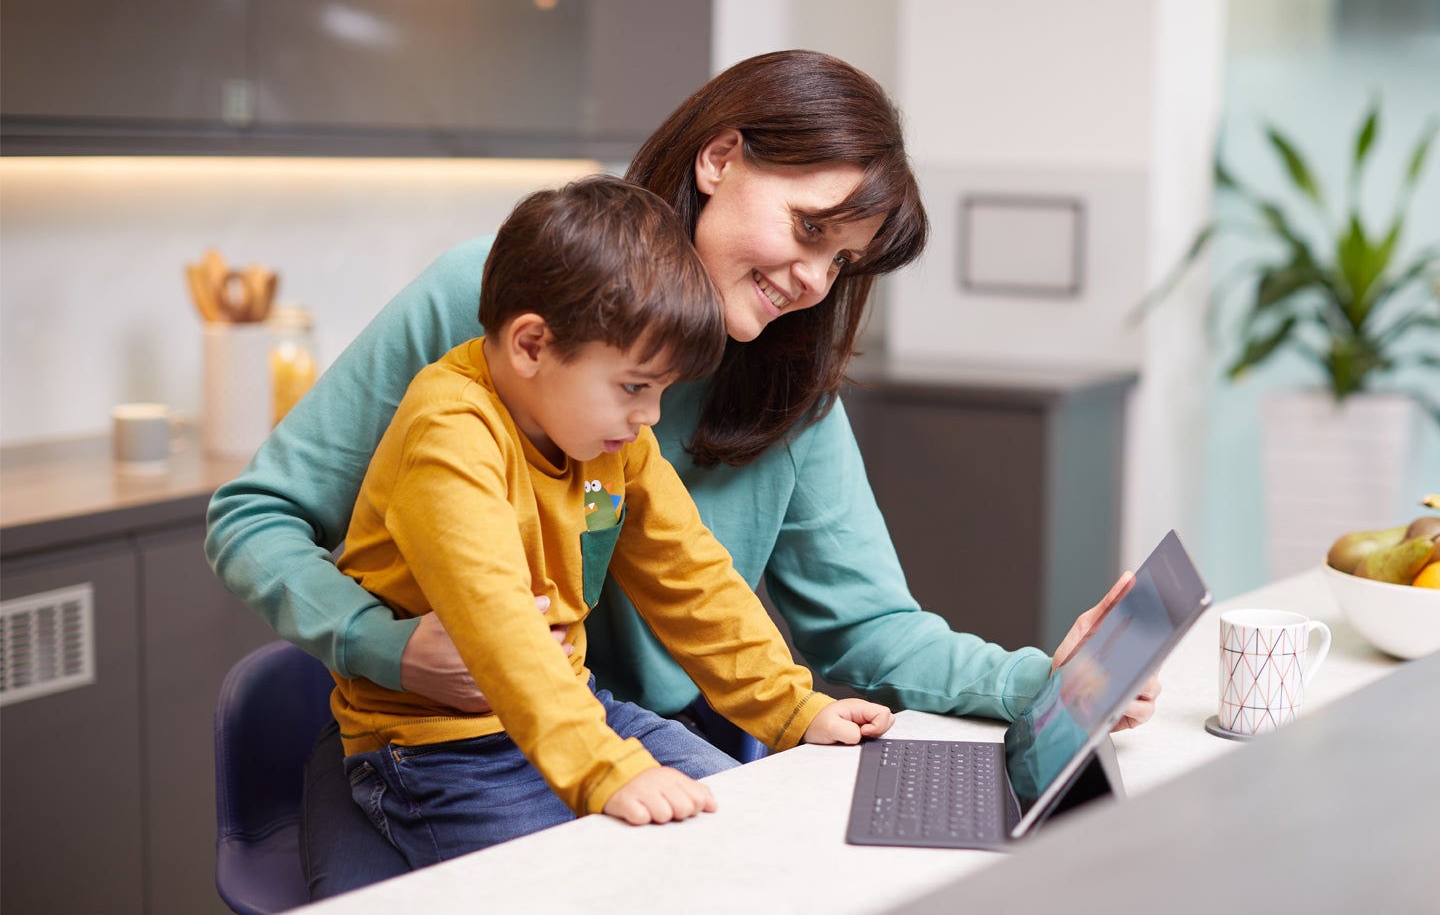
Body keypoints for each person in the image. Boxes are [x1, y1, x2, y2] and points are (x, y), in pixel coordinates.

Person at [206, 50, 1159, 897]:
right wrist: (383, 644)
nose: (814, 284)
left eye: (844, 263)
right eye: (807, 228)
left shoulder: (784, 384)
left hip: (622, 732)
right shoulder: (496, 302)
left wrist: (1046, 683)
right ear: (719, 160)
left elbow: (860, 623)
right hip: (445, 745)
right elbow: (256, 516)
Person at [328, 175, 891, 866]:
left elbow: (693, 577)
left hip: (577, 709)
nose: (650, 417)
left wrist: (790, 708)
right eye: (633, 387)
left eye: (660, 391)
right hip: (438, 751)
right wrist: (603, 772)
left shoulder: (611, 442)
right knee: (601, 883)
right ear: (532, 346)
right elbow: (501, 626)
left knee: (747, 844)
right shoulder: (449, 434)